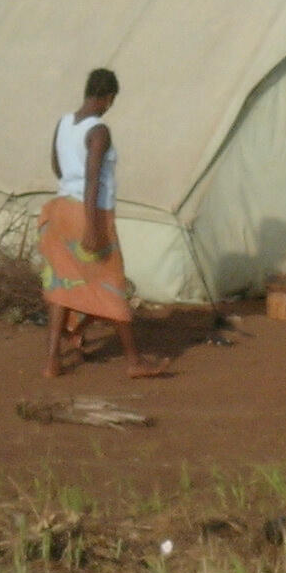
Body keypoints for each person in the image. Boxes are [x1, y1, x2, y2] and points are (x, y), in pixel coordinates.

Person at [40, 68, 169, 379]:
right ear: (109, 97)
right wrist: (93, 227)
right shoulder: (99, 131)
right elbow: (93, 179)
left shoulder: (64, 123)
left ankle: (52, 362)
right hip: (90, 213)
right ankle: (134, 361)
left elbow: (57, 166)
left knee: (61, 287)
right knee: (112, 285)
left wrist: (70, 190)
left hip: (59, 211)